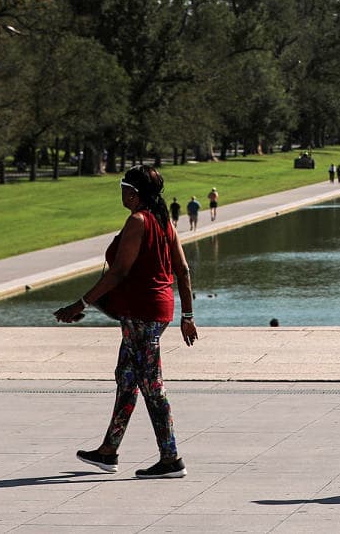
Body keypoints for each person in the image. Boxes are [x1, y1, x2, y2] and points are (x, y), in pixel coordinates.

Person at [54, 165, 197, 479]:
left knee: (152, 386)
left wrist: (80, 303)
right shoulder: (164, 222)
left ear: (133, 192)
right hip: (154, 312)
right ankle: (108, 451)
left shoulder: (138, 221)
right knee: (127, 378)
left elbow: (118, 272)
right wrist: (187, 316)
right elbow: (183, 271)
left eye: (123, 187)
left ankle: (171, 459)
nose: (121, 192)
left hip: (142, 314)